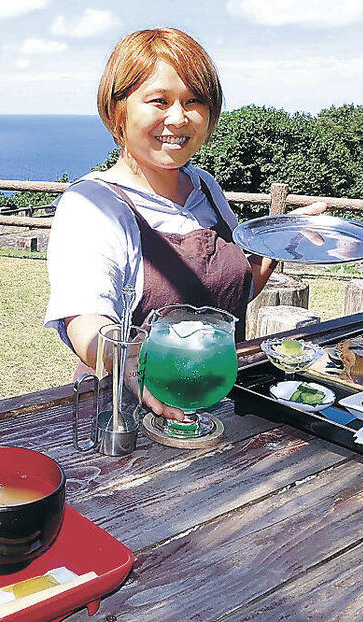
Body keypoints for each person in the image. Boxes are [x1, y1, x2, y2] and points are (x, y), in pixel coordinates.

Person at [44, 28, 325, 420]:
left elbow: (233, 292)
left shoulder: (204, 186)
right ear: (117, 110)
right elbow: (86, 321)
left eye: (194, 101)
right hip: (129, 414)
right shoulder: (94, 204)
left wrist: (279, 240)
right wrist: (133, 365)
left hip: (215, 402)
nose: (178, 117)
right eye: (158, 100)